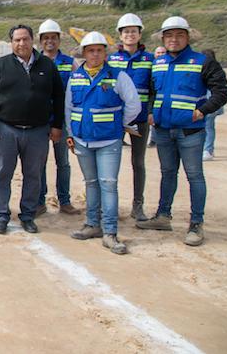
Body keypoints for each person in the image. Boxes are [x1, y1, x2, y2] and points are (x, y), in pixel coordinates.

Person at [136, 17, 227, 246]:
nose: (173, 39)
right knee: (168, 173)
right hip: (164, 131)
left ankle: (196, 223)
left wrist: (202, 111)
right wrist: (150, 111)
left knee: (194, 176)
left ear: (187, 37)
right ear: (163, 39)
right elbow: (151, 92)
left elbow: (223, 92)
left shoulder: (203, 62)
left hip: (191, 132)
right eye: (169, 36)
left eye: (179, 35)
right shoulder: (158, 63)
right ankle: (163, 216)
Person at [0, 24, 64, 235]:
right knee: (2, 174)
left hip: (38, 131)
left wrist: (57, 126)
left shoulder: (47, 65)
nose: (21, 43)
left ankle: (28, 215)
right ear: (11, 43)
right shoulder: (1, 65)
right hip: (6, 129)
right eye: (17, 40)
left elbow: (59, 97)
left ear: (32, 40)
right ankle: (1, 215)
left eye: (25, 39)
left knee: (33, 175)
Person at [67, 32, 141, 255]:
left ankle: (110, 232)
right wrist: (72, 133)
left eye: (99, 50)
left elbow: (134, 105)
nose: (95, 54)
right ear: (84, 53)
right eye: (91, 50)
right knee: (91, 183)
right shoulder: (76, 76)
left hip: (109, 140)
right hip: (82, 139)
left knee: (108, 184)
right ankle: (92, 224)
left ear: (105, 52)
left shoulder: (118, 76)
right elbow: (68, 108)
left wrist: (120, 124)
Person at [106, 13, 154, 221]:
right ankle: (110, 205)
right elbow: (106, 87)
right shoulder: (111, 60)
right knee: (111, 162)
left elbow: (154, 89)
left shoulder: (150, 60)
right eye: (126, 32)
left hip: (140, 119)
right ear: (120, 35)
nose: (130, 35)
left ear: (140, 34)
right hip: (116, 120)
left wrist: (151, 111)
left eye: (133, 31)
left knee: (138, 162)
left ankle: (138, 205)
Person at [37, 19, 79, 216]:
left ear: (59, 40)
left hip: (61, 122)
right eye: (46, 38)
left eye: (53, 37)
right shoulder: (35, 62)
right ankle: (39, 200)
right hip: (39, 121)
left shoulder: (71, 64)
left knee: (63, 162)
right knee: (39, 162)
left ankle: (65, 200)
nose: (50, 41)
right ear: (40, 41)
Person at [201, 49, 224, 162]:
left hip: (209, 103)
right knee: (209, 127)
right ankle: (208, 149)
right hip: (212, 104)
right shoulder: (217, 68)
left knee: (208, 127)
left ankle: (208, 150)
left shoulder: (207, 69)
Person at [147, 46, 167, 148]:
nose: (160, 54)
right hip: (154, 99)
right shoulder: (151, 66)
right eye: (158, 53)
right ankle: (153, 140)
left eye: (162, 52)